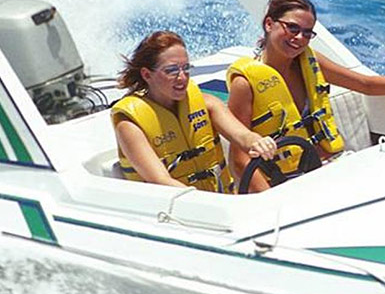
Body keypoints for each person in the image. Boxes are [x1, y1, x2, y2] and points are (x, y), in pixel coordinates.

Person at [227, 0, 385, 192]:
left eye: (307, 33)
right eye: (293, 28)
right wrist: (273, 202)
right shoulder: (245, 83)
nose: (299, 38)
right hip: (285, 185)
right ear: (269, 24)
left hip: (331, 168)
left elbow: (364, 84)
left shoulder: (309, 62)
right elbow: (239, 159)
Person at [112, 31, 276, 192]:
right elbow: (160, 180)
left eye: (186, 68)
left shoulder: (207, 104)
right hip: (176, 207)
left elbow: (242, 136)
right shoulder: (129, 126)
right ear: (147, 75)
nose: (182, 78)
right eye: (171, 70)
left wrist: (257, 142)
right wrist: (208, 203)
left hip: (221, 200)